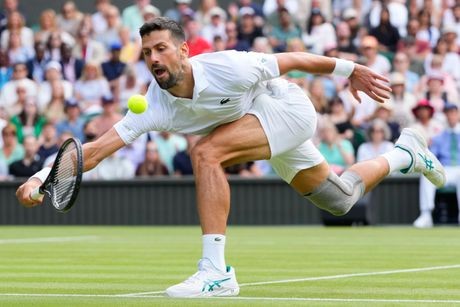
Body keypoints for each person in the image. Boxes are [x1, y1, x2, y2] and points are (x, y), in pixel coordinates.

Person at [16, 17, 446, 298]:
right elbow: (93, 150)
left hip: (287, 109)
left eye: (162, 48)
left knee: (206, 152)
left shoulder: (228, 66)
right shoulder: (156, 103)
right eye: (147, 53)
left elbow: (293, 59)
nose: (154, 59)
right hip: (258, 126)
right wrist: (40, 177)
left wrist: (351, 70)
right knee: (339, 199)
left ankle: (216, 271)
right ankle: (404, 154)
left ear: (183, 51)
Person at [414, 103, 460, 228]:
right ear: (445, 116)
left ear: (458, 114)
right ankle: (426, 215)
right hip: (445, 169)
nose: (451, 116)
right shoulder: (439, 137)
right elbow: (433, 157)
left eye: (453, 113)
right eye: (448, 113)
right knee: (427, 175)